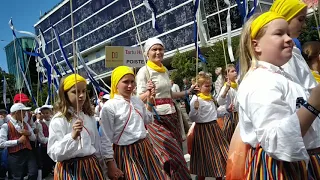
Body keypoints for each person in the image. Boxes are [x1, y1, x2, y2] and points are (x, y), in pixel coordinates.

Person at [238, 11, 320, 179]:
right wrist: (314, 104)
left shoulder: (280, 76)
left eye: (288, 33)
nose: (289, 39)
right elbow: (277, 139)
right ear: (256, 46)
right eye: (279, 33)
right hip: (283, 168)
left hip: (301, 162)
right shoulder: (259, 81)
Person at [136, 37, 193, 179]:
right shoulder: (144, 71)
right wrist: (148, 93)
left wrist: (188, 92)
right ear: (147, 53)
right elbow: (137, 99)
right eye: (154, 49)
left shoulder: (165, 70)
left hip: (172, 115)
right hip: (156, 118)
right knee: (172, 155)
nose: (158, 52)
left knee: (175, 152)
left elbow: (170, 94)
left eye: (160, 49)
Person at [100, 66, 165, 180]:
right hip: (126, 153)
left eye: (132, 82)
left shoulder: (137, 100)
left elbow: (147, 120)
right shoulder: (109, 107)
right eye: (125, 82)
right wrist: (110, 165)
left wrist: (149, 103)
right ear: (116, 84)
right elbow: (106, 138)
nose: (130, 86)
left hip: (144, 147)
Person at [47, 74, 105, 180]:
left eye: (83, 91)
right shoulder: (59, 120)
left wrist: (102, 166)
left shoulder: (89, 116)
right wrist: (72, 137)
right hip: (70, 170)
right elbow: (54, 153)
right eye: (75, 92)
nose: (82, 95)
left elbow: (96, 144)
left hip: (91, 167)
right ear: (65, 94)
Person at [270, 0, 317, 91]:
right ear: (285, 17)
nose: (304, 25)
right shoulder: (283, 56)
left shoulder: (293, 50)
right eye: (300, 19)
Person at [189, 73, 229, 180]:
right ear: (199, 87)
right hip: (203, 130)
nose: (209, 88)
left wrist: (226, 111)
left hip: (214, 128)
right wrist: (195, 110)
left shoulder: (210, 98)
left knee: (219, 156)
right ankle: (200, 177)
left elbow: (214, 113)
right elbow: (192, 118)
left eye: (210, 85)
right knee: (205, 158)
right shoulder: (196, 99)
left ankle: (219, 177)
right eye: (206, 86)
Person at [0, 103, 37, 180]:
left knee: (33, 173)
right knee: (17, 177)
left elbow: (33, 138)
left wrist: (28, 133)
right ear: (17, 113)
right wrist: (17, 141)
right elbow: (1, 143)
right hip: (15, 155)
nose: (25, 115)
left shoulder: (25, 124)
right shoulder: (6, 126)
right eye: (23, 112)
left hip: (28, 152)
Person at [217, 64, 238, 142]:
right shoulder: (226, 87)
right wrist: (226, 90)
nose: (235, 72)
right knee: (231, 139)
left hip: (238, 114)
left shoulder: (236, 85)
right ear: (226, 75)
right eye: (232, 71)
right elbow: (220, 102)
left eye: (235, 70)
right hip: (231, 117)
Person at [37, 105, 55, 178]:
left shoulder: (54, 121)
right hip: (46, 147)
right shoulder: (39, 124)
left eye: (47, 113)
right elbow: (41, 139)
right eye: (43, 113)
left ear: (50, 113)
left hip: (54, 145)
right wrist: (52, 138)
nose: (45, 115)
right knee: (46, 164)